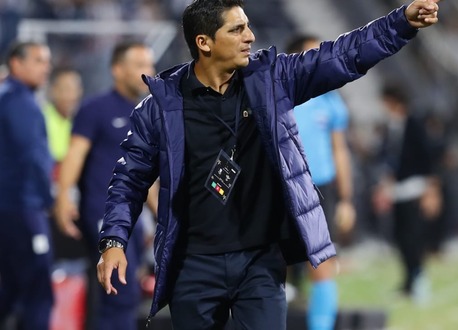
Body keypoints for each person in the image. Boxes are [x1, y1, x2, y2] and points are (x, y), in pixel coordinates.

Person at [96, 1, 440, 329]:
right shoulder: (159, 107)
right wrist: (113, 241)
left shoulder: (272, 79)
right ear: (204, 42)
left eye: (248, 27)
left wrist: (401, 22)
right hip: (193, 265)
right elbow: (128, 179)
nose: (251, 36)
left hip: (259, 263)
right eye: (237, 29)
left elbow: (342, 55)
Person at [54, 41, 157, 330]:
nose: (148, 72)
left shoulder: (147, 113)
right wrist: (63, 198)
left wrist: (158, 214)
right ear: (117, 70)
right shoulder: (94, 109)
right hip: (102, 212)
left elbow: (143, 172)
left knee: (126, 293)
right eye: (139, 65)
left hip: (134, 218)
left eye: (149, 65)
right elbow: (74, 157)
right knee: (119, 292)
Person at [285, 34, 356, 330]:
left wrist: (346, 200)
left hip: (321, 189)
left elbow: (340, 150)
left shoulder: (332, 98)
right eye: (313, 53)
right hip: (284, 186)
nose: (322, 58)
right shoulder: (280, 93)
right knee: (274, 268)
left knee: (323, 265)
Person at [371, 84, 442, 304]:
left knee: (414, 237)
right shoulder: (390, 128)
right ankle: (408, 279)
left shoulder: (414, 124)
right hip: (397, 192)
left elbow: (427, 156)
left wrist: (432, 189)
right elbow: (388, 159)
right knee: (400, 238)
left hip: (415, 188)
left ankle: (419, 278)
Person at [0, 41, 53, 330]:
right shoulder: (21, 103)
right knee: (38, 291)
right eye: (39, 60)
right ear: (16, 63)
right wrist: (49, 200)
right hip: (23, 208)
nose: (46, 67)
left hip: (9, 209)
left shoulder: (6, 96)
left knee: (11, 289)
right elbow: (33, 159)